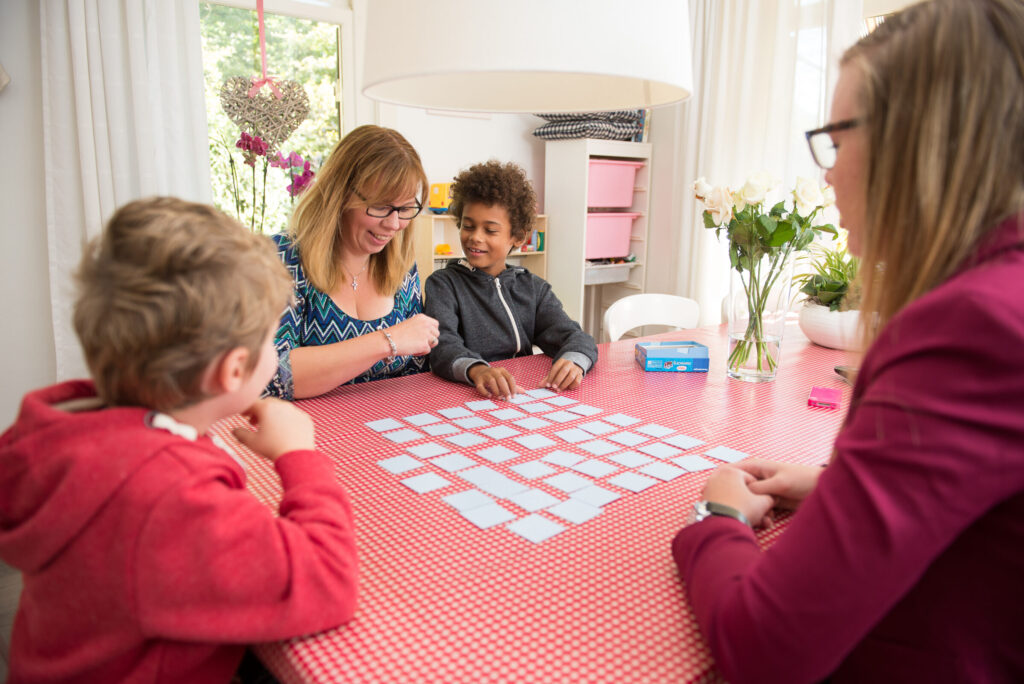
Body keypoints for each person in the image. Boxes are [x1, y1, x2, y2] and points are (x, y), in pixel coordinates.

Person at [672, 1, 1024, 682]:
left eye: (837, 137)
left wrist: (713, 516)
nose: (827, 172)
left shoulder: (970, 326)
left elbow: (763, 649)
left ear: (917, 140)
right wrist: (835, 486)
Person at [0, 198, 359, 683]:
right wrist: (300, 455)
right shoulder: (168, 500)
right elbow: (328, 582)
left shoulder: (64, 427)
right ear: (233, 370)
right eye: (273, 341)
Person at [268, 125, 440, 400]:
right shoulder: (282, 259)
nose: (394, 224)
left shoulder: (402, 264)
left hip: (391, 427)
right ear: (341, 193)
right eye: (381, 206)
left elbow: (416, 370)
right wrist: (388, 341)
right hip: (306, 432)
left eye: (406, 208)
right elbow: (274, 377)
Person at [424, 160, 598, 399]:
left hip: (521, 395)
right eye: (468, 226)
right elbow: (442, 347)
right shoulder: (443, 284)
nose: (475, 237)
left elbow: (575, 336)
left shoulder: (533, 288)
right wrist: (478, 370)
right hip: (466, 396)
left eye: (490, 230)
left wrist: (574, 362)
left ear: (517, 237)